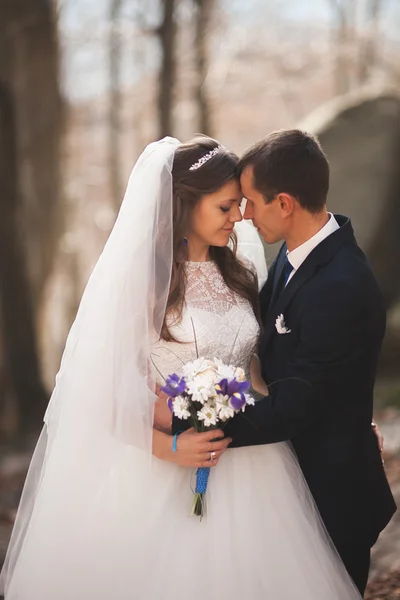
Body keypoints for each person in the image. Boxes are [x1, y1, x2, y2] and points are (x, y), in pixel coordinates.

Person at [1, 135, 363, 600]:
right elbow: (101, 388)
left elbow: (269, 364)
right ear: (186, 206)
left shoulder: (243, 273)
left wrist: (346, 416)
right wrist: (167, 446)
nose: (240, 218)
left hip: (256, 461)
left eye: (241, 205)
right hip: (168, 464)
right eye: (226, 207)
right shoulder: (146, 287)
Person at [217, 129, 396, 596]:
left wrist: (200, 427)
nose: (244, 214)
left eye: (251, 201)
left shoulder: (341, 285)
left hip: (334, 491)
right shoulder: (295, 255)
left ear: (285, 203)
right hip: (298, 473)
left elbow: (298, 405)